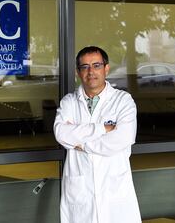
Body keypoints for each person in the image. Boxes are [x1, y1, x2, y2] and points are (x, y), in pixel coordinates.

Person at [54, 46, 141, 223]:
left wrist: (82, 144)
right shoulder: (69, 102)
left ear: (106, 68)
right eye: (84, 67)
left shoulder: (123, 101)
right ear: (78, 72)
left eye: (96, 65)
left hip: (115, 190)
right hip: (80, 194)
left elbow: (123, 138)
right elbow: (61, 133)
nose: (90, 71)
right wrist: (103, 129)